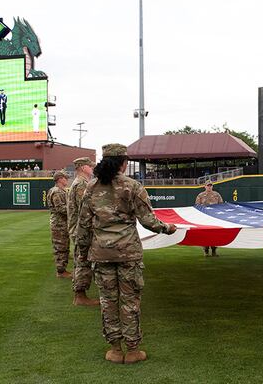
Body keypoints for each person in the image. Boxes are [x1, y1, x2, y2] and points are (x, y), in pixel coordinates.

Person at [76, 143, 177, 364]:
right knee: (130, 301)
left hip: (101, 254)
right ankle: (132, 351)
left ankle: (115, 349)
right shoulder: (133, 186)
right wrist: (167, 228)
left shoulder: (91, 188)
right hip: (128, 253)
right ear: (124, 163)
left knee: (108, 301)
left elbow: (82, 226)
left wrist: (82, 254)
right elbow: (148, 221)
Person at [67, 157, 99, 307]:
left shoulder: (81, 182)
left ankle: (80, 293)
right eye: (89, 165)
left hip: (80, 228)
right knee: (83, 260)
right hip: (81, 229)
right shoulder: (81, 184)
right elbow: (85, 207)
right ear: (82, 167)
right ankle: (80, 296)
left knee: (82, 259)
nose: (92, 168)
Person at [48, 171, 71, 278]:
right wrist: (74, 209)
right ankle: (61, 271)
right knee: (61, 247)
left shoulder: (61, 191)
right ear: (60, 179)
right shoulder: (57, 192)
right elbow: (60, 209)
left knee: (64, 246)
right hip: (59, 224)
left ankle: (62, 269)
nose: (67, 180)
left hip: (62, 223)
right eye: (65, 178)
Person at [195, 181, 224, 257]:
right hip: (205, 218)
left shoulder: (217, 195)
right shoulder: (200, 195)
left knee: (215, 235)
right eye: (208, 185)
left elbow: (221, 205)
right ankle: (206, 251)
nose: (209, 187)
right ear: (205, 186)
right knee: (205, 235)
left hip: (215, 218)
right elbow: (197, 206)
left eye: (211, 185)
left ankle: (214, 251)